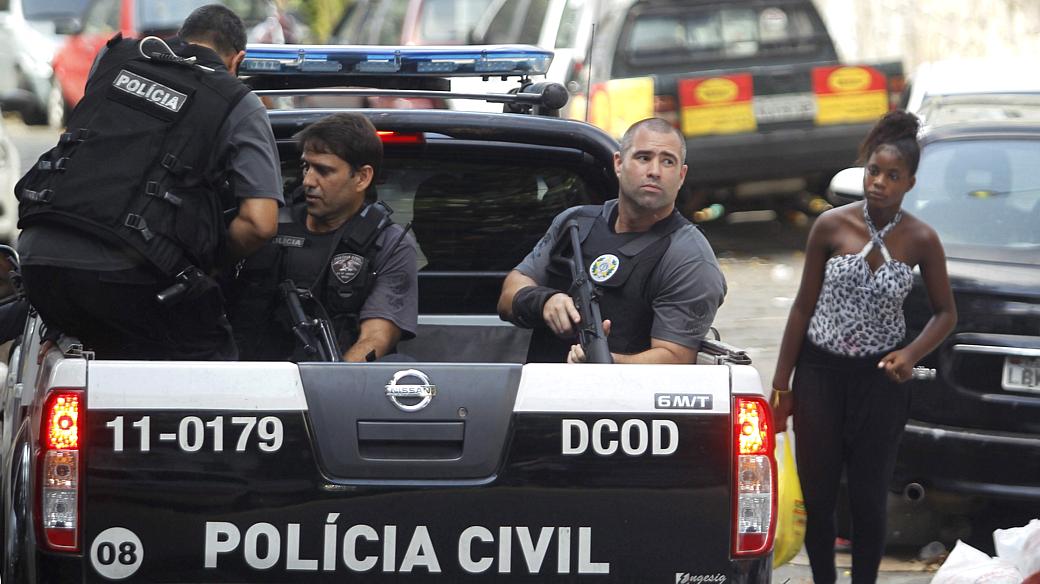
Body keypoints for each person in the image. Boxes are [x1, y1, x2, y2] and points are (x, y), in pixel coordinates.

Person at [14, 4, 282, 360]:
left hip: (38, 258)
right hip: (127, 276)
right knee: (218, 366)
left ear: (181, 39)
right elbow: (260, 223)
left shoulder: (114, 57)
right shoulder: (238, 102)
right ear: (238, 60)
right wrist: (211, 262)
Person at [770, 111, 957, 584]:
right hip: (819, 376)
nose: (879, 183)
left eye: (892, 176)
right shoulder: (831, 227)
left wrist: (910, 354)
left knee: (870, 500)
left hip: (881, 384)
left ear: (910, 183)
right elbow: (800, 308)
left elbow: (945, 314)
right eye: (874, 171)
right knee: (818, 494)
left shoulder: (921, 239)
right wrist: (782, 386)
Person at [498, 117, 726, 364]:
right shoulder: (575, 222)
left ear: (681, 176)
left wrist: (605, 362)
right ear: (619, 163)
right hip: (540, 396)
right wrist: (544, 301)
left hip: (624, 400)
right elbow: (509, 293)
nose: (655, 171)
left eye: (667, 162)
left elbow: (676, 358)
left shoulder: (688, 257)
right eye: (643, 157)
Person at [230, 113, 418, 362]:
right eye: (306, 166)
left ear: (362, 177)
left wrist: (333, 385)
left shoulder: (388, 244)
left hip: (330, 388)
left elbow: (376, 338)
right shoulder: (264, 224)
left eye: (323, 170)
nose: (308, 181)